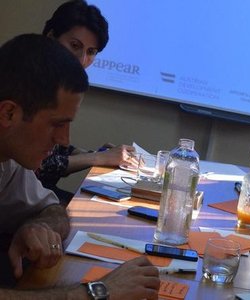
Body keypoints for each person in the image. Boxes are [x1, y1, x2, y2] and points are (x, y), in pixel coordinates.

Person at [0, 34, 159, 299]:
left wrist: (39, 225)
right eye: (57, 124)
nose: (65, 140)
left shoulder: (9, 158)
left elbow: (52, 209)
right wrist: (98, 292)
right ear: (8, 114)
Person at [38, 0, 136, 205]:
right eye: (75, 46)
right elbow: (43, 164)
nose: (82, 60)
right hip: (24, 198)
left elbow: (56, 146)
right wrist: (100, 159)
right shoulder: (29, 81)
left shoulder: (60, 84)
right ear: (51, 37)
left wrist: (99, 154)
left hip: (41, 193)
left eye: (91, 52)